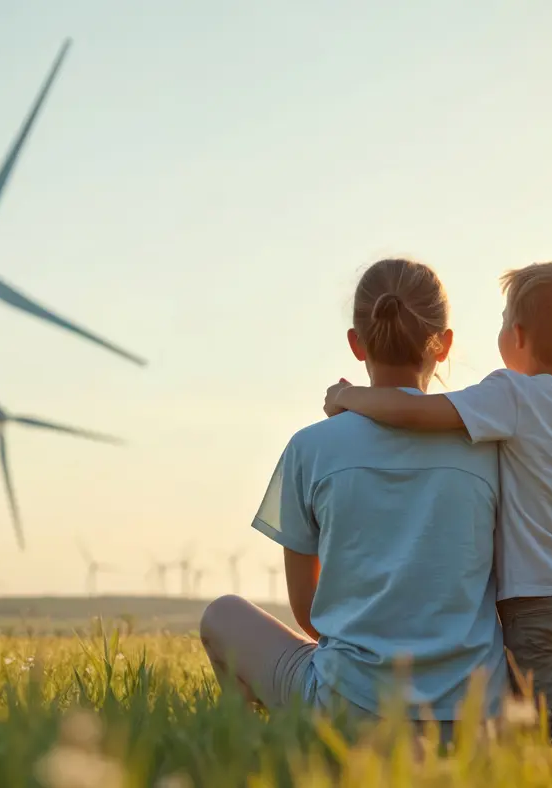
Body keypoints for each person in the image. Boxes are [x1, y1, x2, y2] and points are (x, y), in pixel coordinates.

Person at [200, 258, 508, 741]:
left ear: (355, 342)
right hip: (475, 721)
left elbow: (308, 612)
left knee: (222, 614)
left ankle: (259, 750)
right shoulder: (491, 449)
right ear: (444, 344)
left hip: (348, 712)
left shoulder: (309, 448)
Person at [324, 260, 552, 729]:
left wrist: (349, 399)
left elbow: (417, 412)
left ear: (516, 335)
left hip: (539, 603)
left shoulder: (509, 395)